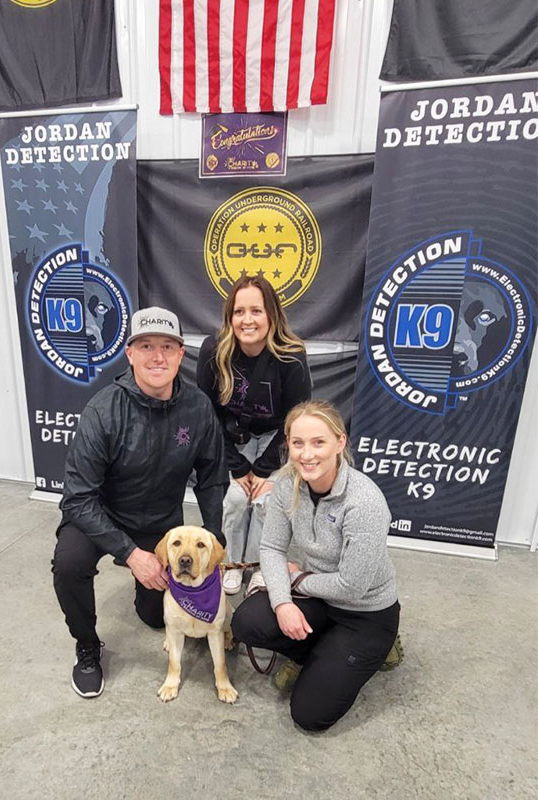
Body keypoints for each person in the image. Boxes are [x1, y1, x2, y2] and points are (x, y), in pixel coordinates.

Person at [52, 307, 228, 698]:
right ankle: (86, 647)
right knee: (69, 564)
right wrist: (133, 555)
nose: (157, 356)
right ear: (129, 354)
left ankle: (143, 593)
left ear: (181, 354)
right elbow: (77, 499)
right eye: (146, 346)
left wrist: (213, 542)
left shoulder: (198, 408)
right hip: (99, 518)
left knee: (154, 618)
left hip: (158, 523)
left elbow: (213, 477)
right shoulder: (103, 411)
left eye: (168, 346)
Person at [231, 400, 400, 732]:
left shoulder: (364, 502)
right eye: (298, 443)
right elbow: (272, 547)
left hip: (364, 614)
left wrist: (297, 581)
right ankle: (314, 651)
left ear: (340, 443)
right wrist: (282, 604)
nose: (307, 454)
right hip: (320, 598)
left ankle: (378, 649)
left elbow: (353, 587)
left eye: (318, 442)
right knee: (246, 622)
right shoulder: (286, 486)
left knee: (310, 715)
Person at [196, 275, 311, 595]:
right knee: (234, 499)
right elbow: (208, 416)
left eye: (256, 311)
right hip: (231, 441)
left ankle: (263, 565)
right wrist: (238, 467)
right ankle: (233, 564)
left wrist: (262, 470)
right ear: (229, 317)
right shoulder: (213, 350)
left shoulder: (291, 354)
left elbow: (296, 421)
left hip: (277, 440)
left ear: (271, 314)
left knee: (266, 500)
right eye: (239, 311)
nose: (247, 320)